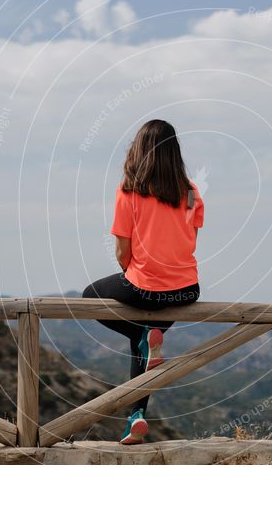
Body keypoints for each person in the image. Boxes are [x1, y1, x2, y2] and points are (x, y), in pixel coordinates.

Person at [81, 119, 204, 445]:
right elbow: (187, 241)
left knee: (89, 296)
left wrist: (134, 274)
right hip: (186, 291)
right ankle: (136, 416)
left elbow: (123, 250)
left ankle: (139, 337)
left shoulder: (130, 190)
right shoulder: (191, 192)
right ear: (174, 153)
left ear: (140, 150)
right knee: (146, 346)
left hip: (146, 287)